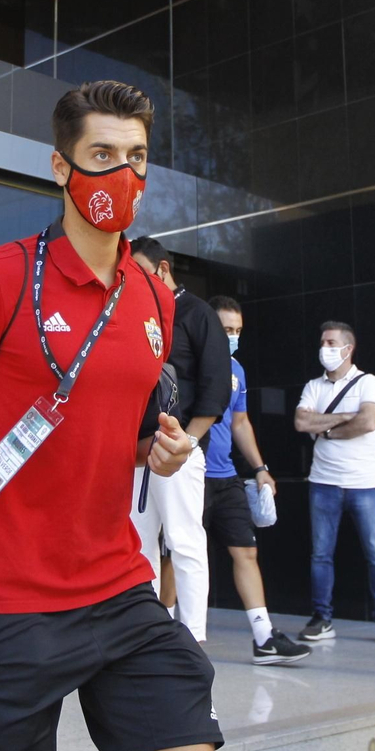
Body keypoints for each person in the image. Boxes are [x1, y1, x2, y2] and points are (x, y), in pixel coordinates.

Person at [0, 80, 216, 751]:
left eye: (136, 156)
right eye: (102, 154)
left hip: (118, 584)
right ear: (61, 166)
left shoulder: (155, 298)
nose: (122, 173)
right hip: (5, 599)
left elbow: (110, 433)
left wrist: (155, 452)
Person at [128, 237, 231, 644]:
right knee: (138, 545)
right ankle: (145, 634)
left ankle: (194, 637)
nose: (133, 279)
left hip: (180, 446)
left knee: (184, 542)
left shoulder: (198, 313)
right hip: (136, 451)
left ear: (163, 269)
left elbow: (215, 387)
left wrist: (187, 441)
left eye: (140, 270)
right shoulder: (135, 313)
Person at [203, 297, 309, 665]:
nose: (232, 337)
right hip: (190, 475)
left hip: (227, 476)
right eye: (225, 329)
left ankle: (264, 638)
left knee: (246, 551)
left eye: (237, 331)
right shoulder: (188, 361)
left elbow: (240, 422)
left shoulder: (237, 370)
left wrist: (260, 467)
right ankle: (168, 634)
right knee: (180, 556)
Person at [294, 322, 375, 646]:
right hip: (323, 482)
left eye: (330, 342)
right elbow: (301, 421)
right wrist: (344, 417)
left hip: (364, 483)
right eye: (322, 342)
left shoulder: (368, 382)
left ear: (348, 348)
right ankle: (321, 618)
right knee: (320, 555)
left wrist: (325, 429)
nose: (324, 348)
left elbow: (368, 421)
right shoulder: (313, 386)